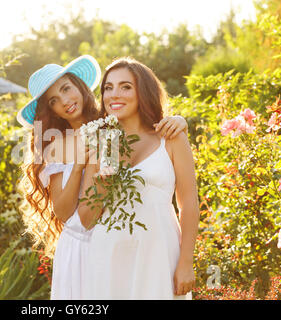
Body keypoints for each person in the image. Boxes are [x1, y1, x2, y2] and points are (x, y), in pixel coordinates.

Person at [16, 55, 189, 299]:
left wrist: (179, 121)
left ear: (79, 86)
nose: (65, 101)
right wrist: (78, 167)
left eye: (66, 89)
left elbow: (146, 132)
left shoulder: (110, 125)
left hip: (121, 238)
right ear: (50, 109)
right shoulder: (56, 147)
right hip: (78, 242)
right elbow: (65, 213)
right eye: (54, 100)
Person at [80, 57, 200, 300]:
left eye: (126, 86)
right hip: (109, 255)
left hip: (159, 253)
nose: (114, 94)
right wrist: (106, 173)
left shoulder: (171, 136)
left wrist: (186, 262)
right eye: (108, 87)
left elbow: (188, 202)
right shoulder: (101, 144)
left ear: (142, 91)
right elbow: (86, 218)